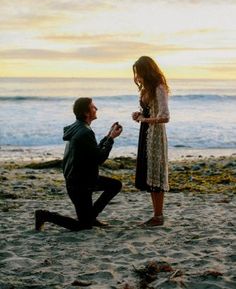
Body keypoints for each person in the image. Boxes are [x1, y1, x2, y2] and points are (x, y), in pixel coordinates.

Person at [35, 97, 122, 231]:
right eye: (93, 107)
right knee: (84, 226)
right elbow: (99, 158)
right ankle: (44, 215)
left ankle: (91, 217)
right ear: (86, 113)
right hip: (81, 185)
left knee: (114, 185)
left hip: (78, 181)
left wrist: (108, 136)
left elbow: (93, 152)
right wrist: (111, 139)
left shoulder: (79, 127)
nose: (96, 109)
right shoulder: (85, 132)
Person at [132, 56, 170, 226]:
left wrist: (144, 120)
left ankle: (158, 216)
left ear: (146, 71)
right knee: (149, 174)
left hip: (155, 135)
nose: (137, 76)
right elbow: (147, 112)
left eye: (138, 72)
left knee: (156, 173)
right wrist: (138, 115)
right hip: (146, 132)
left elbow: (165, 117)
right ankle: (156, 215)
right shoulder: (145, 89)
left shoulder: (159, 88)